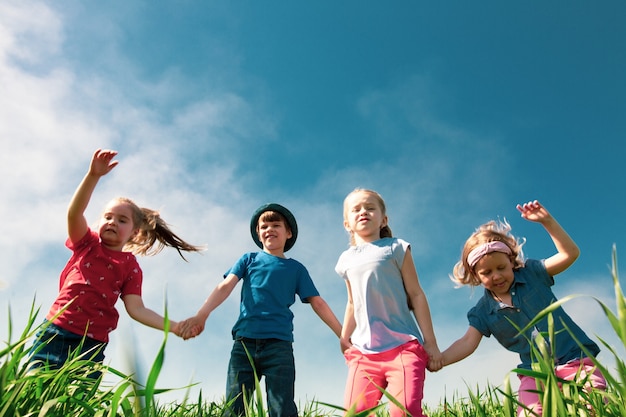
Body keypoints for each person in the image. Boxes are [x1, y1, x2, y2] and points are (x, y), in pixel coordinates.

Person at [29, 149, 203, 374]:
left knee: (76, 403)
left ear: (135, 233)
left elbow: (137, 309)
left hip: (92, 345)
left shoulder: (130, 267)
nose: (112, 222)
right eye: (108, 217)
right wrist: (93, 176)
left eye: (122, 220)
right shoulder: (87, 244)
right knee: (35, 389)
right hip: (57, 331)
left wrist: (175, 327)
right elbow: (74, 214)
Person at [436, 200, 606, 416]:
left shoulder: (532, 274)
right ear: (475, 276)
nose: (496, 275)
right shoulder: (483, 311)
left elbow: (569, 255)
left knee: (593, 405)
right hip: (534, 372)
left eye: (501, 268)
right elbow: (467, 342)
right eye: (487, 273)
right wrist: (441, 358)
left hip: (575, 359)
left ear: (512, 261)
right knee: (529, 412)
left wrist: (547, 222)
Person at [179, 203, 342, 417]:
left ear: (288, 233)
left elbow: (318, 302)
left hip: (279, 346)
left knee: (282, 407)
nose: (269, 229)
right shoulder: (249, 260)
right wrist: (202, 314)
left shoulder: (296, 269)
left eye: (276, 225)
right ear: (258, 232)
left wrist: (342, 334)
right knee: (235, 406)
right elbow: (225, 286)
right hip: (244, 343)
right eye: (263, 226)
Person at [336, 188, 442, 417]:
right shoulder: (345, 260)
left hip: (403, 348)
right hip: (363, 353)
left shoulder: (396, 248)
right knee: (355, 412)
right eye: (356, 209)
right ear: (347, 224)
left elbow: (416, 295)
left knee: (404, 411)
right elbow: (352, 303)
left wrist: (430, 343)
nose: (363, 212)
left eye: (370, 207)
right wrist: (344, 338)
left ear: (383, 219)